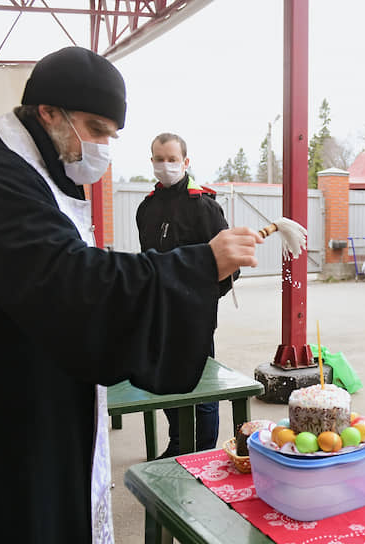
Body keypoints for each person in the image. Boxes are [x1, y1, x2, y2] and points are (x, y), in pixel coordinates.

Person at [0, 46, 264, 543]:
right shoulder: (0, 178)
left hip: (51, 389)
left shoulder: (39, 172)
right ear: (49, 113)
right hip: (18, 405)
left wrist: (202, 275)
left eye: (112, 136)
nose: (101, 147)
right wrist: (199, 264)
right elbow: (69, 278)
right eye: (95, 130)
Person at [136, 133, 235, 458]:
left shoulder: (203, 207)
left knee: (201, 387)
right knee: (166, 381)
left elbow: (231, 268)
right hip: (159, 313)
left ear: (186, 162)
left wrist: (200, 300)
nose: (165, 165)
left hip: (195, 315)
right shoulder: (146, 208)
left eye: (172, 159)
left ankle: (202, 452)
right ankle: (179, 443)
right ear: (152, 162)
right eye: (159, 159)